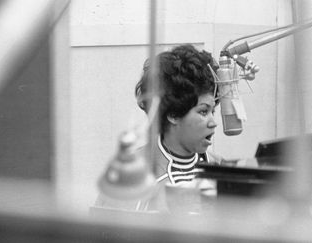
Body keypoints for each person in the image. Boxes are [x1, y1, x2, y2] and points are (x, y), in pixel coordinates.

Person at [95, 44, 223, 213]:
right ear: (174, 114)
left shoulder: (219, 167)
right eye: (203, 111)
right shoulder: (131, 175)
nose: (213, 122)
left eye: (212, 111)